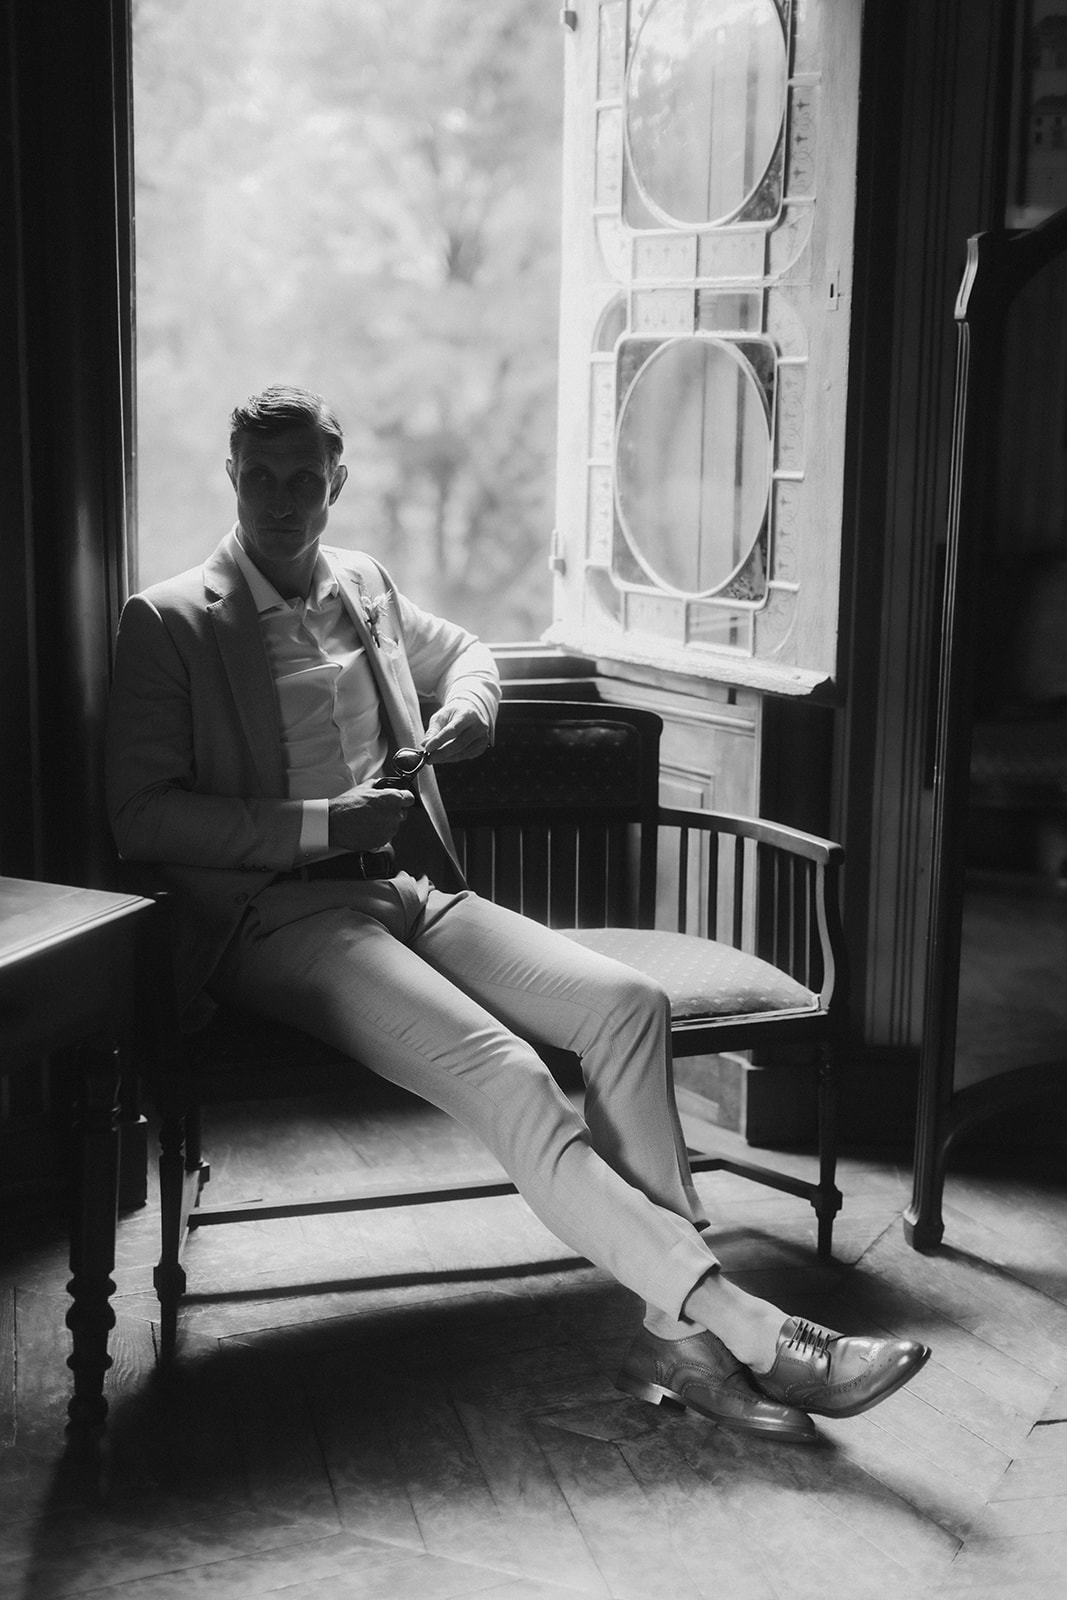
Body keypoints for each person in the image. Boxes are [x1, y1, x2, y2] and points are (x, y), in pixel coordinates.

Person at [106, 384, 929, 1443]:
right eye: (257, 475)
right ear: (230, 476)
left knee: (626, 1004)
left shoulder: (362, 584)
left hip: (411, 889)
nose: (278, 498)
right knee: (507, 1070)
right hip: (278, 918)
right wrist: (321, 821)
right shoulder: (169, 617)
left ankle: (674, 1340)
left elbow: (470, 656)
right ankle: (748, 1330)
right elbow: (140, 816)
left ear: (334, 484)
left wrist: (470, 708)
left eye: (301, 478)